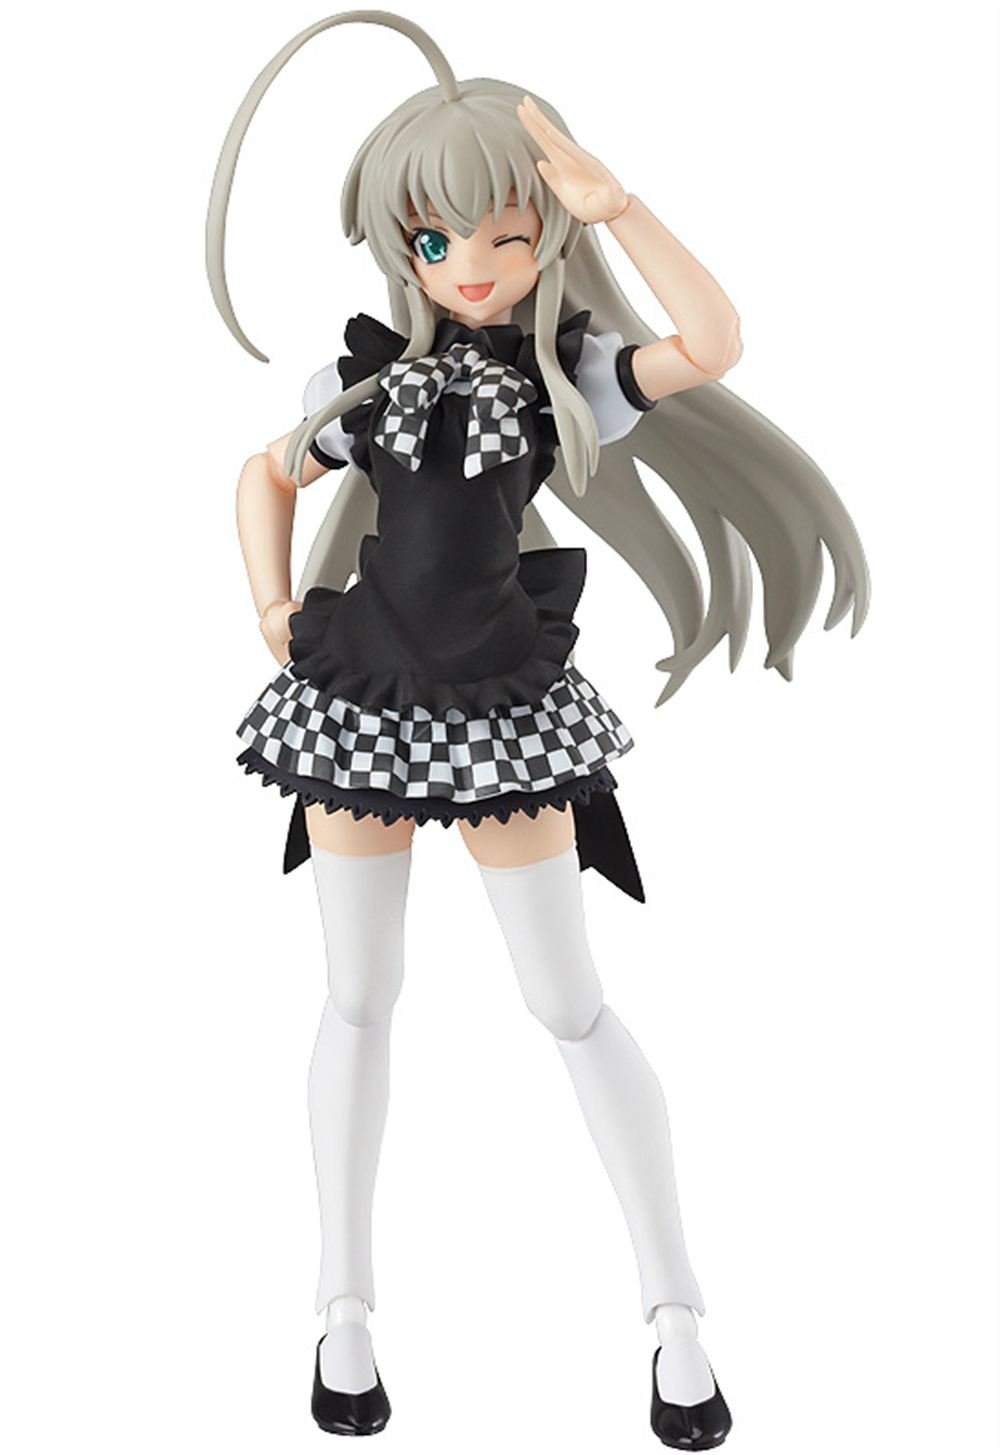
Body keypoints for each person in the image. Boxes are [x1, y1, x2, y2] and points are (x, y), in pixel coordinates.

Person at [207, 12, 869, 1448]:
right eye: (437, 241)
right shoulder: (362, 384)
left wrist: (620, 207)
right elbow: (263, 471)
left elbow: (713, 344)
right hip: (361, 698)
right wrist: (271, 608)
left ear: (545, 238)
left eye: (505, 237)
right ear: (401, 245)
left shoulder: (570, 376)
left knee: (567, 1001)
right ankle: (341, 1305)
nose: (471, 266)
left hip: (502, 704)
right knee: (357, 995)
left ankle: (675, 1311)